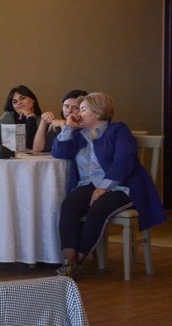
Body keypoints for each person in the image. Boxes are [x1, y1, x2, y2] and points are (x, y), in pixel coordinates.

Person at [51, 92, 165, 278]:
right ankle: (69, 261)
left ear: (98, 113)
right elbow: (60, 153)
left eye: (82, 109)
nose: (77, 114)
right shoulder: (79, 134)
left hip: (122, 186)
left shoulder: (118, 130)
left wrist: (103, 187)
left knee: (98, 209)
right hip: (89, 184)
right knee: (69, 205)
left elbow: (123, 162)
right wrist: (68, 128)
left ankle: (77, 262)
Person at [33, 88, 87, 154]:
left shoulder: (87, 128)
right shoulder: (57, 125)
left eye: (76, 108)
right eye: (66, 106)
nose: (69, 111)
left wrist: (64, 124)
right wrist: (43, 121)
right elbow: (37, 149)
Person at [0, 84, 43, 150]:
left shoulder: (42, 119)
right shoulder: (8, 116)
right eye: (15, 102)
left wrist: (30, 116)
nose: (19, 103)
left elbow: (30, 145)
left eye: (23, 98)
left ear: (33, 99)